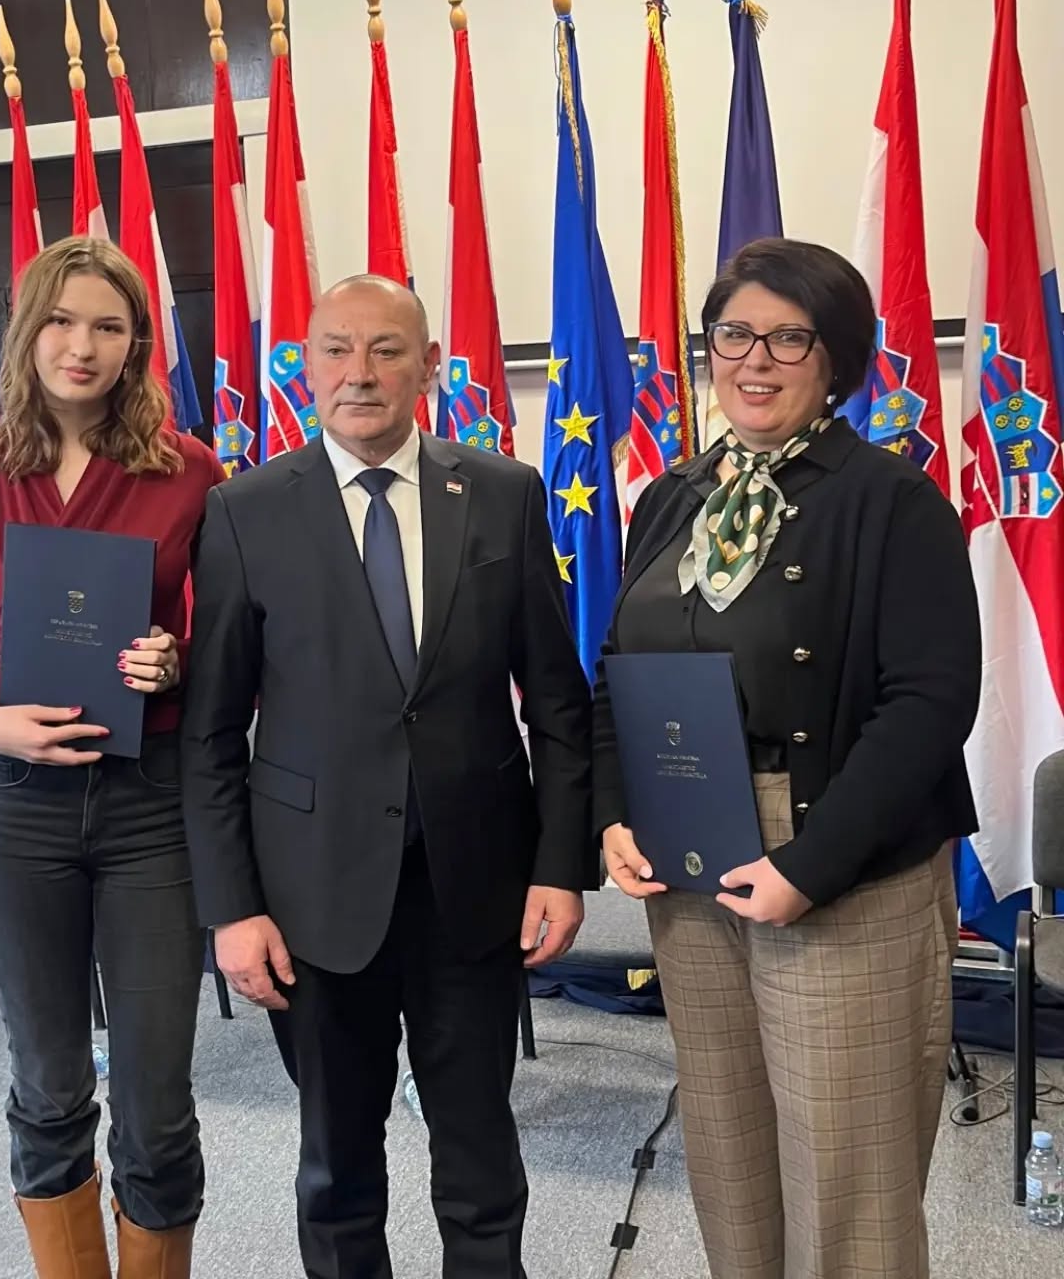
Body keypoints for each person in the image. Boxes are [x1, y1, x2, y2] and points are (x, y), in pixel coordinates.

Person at [180, 273, 593, 1278]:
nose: (358, 373)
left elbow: (557, 703)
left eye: (386, 350)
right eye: (335, 350)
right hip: (312, 899)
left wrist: (560, 867)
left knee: (481, 1159)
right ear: (305, 364)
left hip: (475, 889)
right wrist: (232, 909)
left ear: (429, 367)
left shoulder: (502, 492)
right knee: (336, 1168)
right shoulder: (243, 511)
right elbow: (211, 733)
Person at [593, 237, 981, 1278]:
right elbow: (617, 671)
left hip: (838, 860)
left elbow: (931, 704)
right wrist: (616, 813)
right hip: (689, 854)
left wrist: (811, 866)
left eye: (788, 338)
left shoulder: (893, 501)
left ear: (836, 358)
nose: (754, 360)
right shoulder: (670, 498)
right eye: (733, 334)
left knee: (847, 1178)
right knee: (729, 1152)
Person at [0, 235, 224, 1279]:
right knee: (48, 1085)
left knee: (156, 1096)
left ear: (137, 343)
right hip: (18, 808)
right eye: (60, 320)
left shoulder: (188, 473)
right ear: (26, 331)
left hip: (151, 804)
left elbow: (223, 641)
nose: (81, 346)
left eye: (107, 326)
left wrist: (173, 659)